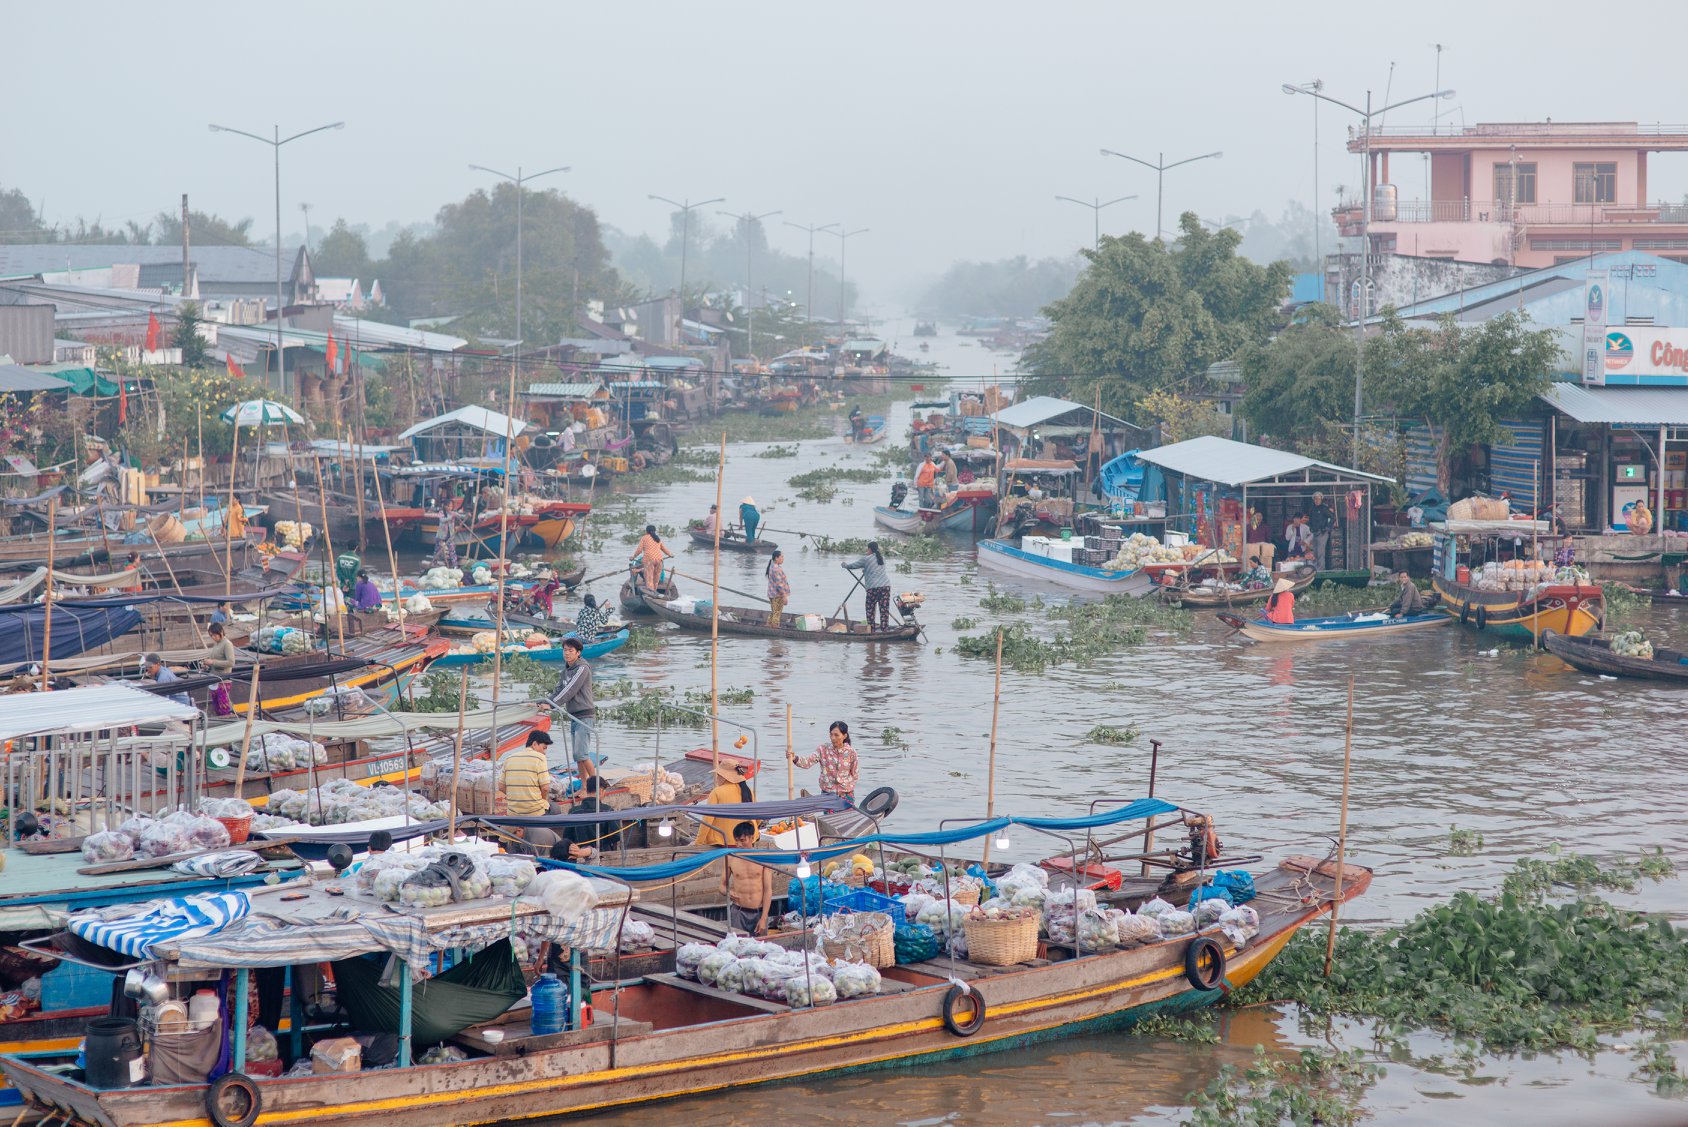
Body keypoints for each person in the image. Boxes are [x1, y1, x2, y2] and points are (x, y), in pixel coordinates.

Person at [541, 637, 596, 779]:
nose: (567, 653)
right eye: (565, 650)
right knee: (577, 756)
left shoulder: (582, 668)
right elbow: (558, 691)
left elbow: (569, 691)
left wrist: (552, 705)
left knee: (581, 754)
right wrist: (541, 703)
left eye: (570, 650)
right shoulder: (565, 671)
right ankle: (584, 787)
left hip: (585, 716)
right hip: (574, 716)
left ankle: (596, 785)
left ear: (578, 653)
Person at [500, 729, 558, 855]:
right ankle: (556, 848)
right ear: (534, 744)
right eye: (544, 748)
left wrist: (515, 796)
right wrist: (543, 800)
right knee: (555, 809)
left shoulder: (509, 758)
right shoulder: (539, 758)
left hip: (514, 811)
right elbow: (545, 788)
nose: (545, 752)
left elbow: (501, 787)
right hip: (534, 811)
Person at [720, 822, 773, 936]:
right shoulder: (731, 858)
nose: (739, 844)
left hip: (759, 912)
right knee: (736, 947)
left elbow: (768, 890)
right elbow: (721, 886)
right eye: (736, 840)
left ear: (752, 838)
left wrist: (764, 918)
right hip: (738, 912)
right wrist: (729, 893)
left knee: (761, 949)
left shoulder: (763, 858)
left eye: (743, 840)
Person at [557, 776, 622, 862]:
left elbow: (567, 837)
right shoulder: (607, 810)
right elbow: (617, 836)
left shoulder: (573, 812)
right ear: (601, 791)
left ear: (587, 790)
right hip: (602, 857)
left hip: (579, 857)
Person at [790, 720, 859, 801]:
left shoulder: (851, 752)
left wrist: (844, 788)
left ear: (844, 736)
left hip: (846, 796)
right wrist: (794, 758)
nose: (833, 738)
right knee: (830, 814)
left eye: (836, 735)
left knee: (848, 814)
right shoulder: (823, 749)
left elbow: (855, 775)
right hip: (827, 795)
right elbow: (808, 763)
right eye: (831, 734)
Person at [695, 761, 755, 847]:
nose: (717, 778)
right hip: (747, 840)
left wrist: (698, 842)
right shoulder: (748, 790)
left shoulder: (717, 792)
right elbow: (757, 817)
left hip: (724, 841)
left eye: (718, 775)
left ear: (724, 777)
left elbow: (707, 819)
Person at [843, 541, 892, 631]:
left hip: (873, 588)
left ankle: (871, 630)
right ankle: (885, 629)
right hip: (885, 586)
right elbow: (875, 569)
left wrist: (846, 566)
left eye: (867, 549)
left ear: (869, 549)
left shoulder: (866, 559)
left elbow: (854, 566)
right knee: (884, 610)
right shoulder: (882, 558)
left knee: (870, 610)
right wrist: (866, 571)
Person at [630, 525, 672, 591]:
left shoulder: (644, 538)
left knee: (649, 579)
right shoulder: (657, 538)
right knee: (656, 579)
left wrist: (633, 557)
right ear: (655, 531)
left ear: (646, 532)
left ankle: (650, 593)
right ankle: (654, 591)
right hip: (659, 560)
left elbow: (639, 550)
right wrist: (670, 554)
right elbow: (663, 548)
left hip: (649, 560)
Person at [1309, 493, 1336, 569]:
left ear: (1321, 499)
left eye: (1318, 499)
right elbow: (1310, 519)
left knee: (1320, 552)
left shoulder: (1324, 508)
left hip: (1322, 533)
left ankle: (1321, 570)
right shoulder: (1312, 508)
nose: (1317, 500)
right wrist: (1310, 527)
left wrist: (1327, 527)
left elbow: (1333, 517)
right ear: (1313, 500)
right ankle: (1316, 568)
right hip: (1315, 532)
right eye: (1315, 499)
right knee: (1315, 552)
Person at [765, 548, 790, 626]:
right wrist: (784, 596)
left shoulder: (772, 566)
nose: (783, 559)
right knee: (777, 613)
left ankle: (768, 626)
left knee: (774, 612)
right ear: (776, 558)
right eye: (781, 557)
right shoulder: (777, 569)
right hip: (777, 595)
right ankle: (775, 629)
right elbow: (779, 585)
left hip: (771, 594)